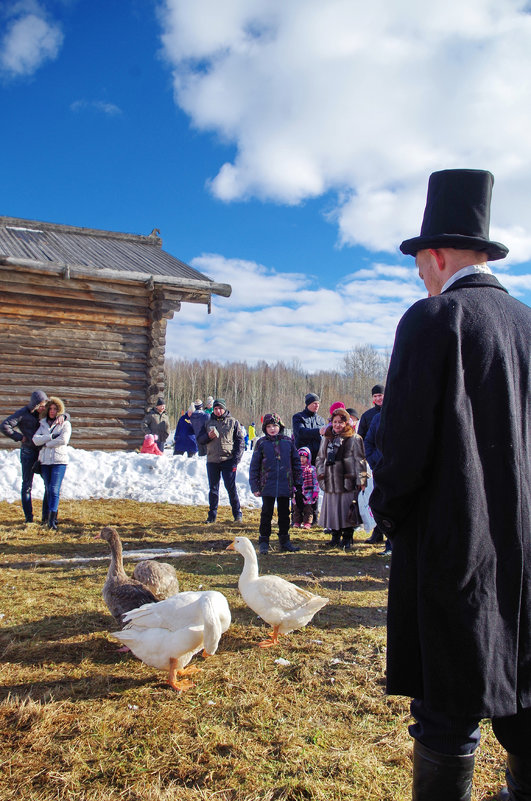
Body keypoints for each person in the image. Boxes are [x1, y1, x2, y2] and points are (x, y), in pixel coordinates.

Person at [369, 169, 531, 801]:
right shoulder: (528, 325)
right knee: (525, 699)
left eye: (420, 265)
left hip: (454, 549)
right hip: (529, 554)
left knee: (447, 708)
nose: (421, 276)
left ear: (436, 255)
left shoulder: (434, 319)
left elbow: (402, 454)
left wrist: (390, 515)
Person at [249, 413, 303, 554]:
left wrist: (298, 484)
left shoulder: (288, 442)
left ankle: (285, 541)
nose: (272, 429)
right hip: (267, 485)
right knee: (266, 513)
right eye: (269, 426)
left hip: (285, 485)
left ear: (280, 427)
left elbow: (296, 463)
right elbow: (254, 466)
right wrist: (255, 486)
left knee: (285, 514)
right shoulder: (261, 443)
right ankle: (264, 541)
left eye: (275, 426)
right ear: (265, 428)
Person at [315, 408, 367, 550]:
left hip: (347, 481)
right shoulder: (327, 438)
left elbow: (361, 461)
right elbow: (320, 458)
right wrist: (321, 475)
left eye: (340, 422)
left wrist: (362, 481)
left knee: (346, 510)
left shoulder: (355, 438)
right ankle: (335, 537)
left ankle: (347, 538)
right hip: (330, 481)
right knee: (333, 510)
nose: (337, 425)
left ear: (346, 423)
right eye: (335, 422)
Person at [1, 389, 49, 523]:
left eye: (44, 404)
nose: (43, 407)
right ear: (35, 404)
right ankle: (29, 519)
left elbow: (61, 413)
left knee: (48, 484)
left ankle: (46, 517)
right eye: (41, 404)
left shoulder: (45, 413)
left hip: (43, 453)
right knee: (27, 485)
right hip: (28, 452)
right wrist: (20, 437)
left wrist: (65, 417)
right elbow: (5, 425)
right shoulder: (23, 414)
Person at [197, 399, 245, 524]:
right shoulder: (208, 422)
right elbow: (200, 439)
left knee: (231, 488)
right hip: (212, 460)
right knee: (213, 489)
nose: (218, 411)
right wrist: (208, 436)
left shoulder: (233, 422)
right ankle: (211, 516)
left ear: (224, 409)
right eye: (215, 408)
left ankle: (237, 514)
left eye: (220, 408)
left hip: (228, 460)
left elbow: (240, 442)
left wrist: (236, 460)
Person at [32, 396, 72, 530]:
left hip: (58, 461)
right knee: (48, 489)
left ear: (59, 410)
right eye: (50, 408)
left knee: (54, 489)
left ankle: (52, 520)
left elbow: (63, 440)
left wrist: (46, 443)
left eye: (55, 409)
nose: (52, 411)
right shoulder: (43, 423)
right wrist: (50, 437)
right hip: (45, 461)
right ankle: (47, 517)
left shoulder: (64, 423)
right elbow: (35, 440)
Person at [364, 414, 391, 556]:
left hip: (402, 470)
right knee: (383, 506)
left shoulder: (406, 412)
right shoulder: (378, 418)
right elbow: (368, 442)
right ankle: (389, 543)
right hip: (381, 469)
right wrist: (375, 461)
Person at [292, 446, 319, 530]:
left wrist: (315, 491)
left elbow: (315, 481)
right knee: (296, 508)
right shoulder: (296, 469)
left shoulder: (312, 469)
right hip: (297, 493)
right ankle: (297, 522)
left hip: (308, 493)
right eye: (300, 457)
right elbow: (292, 480)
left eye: (304, 457)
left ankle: (307, 522)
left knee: (308, 509)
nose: (302, 459)